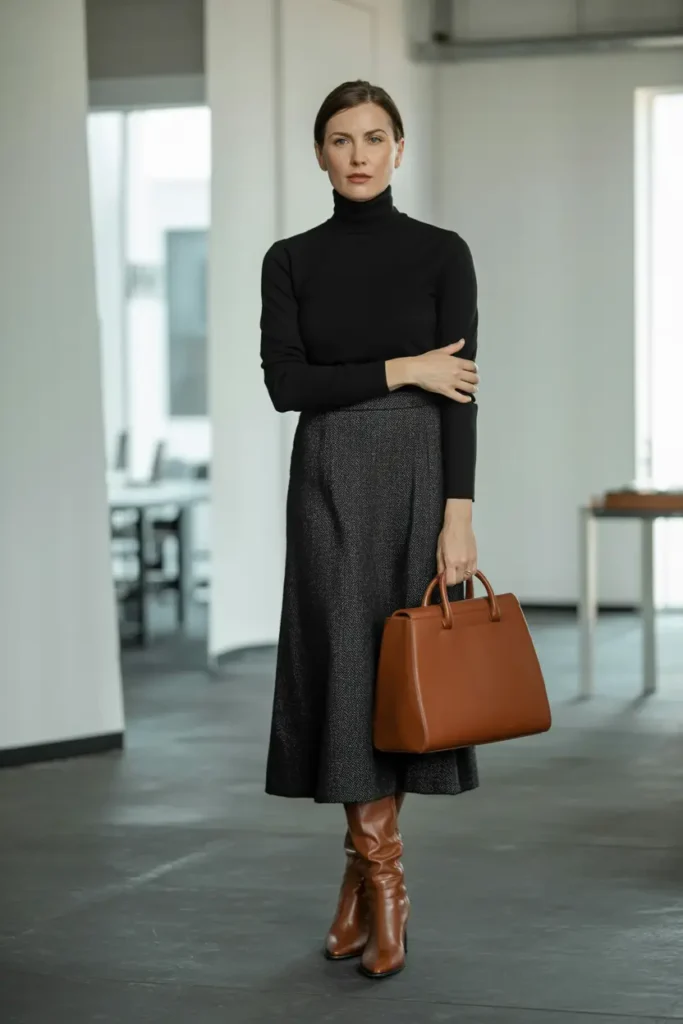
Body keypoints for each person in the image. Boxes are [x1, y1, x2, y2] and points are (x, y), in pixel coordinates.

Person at [259, 80, 480, 980]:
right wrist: (403, 367)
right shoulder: (289, 260)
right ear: (318, 153)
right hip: (327, 481)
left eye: (374, 138)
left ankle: (363, 878)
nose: (357, 154)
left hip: (421, 479)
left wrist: (458, 513)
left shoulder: (442, 253)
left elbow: (461, 395)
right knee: (344, 668)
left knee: (398, 682)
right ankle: (386, 883)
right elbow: (287, 386)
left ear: (399, 150)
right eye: (340, 139)